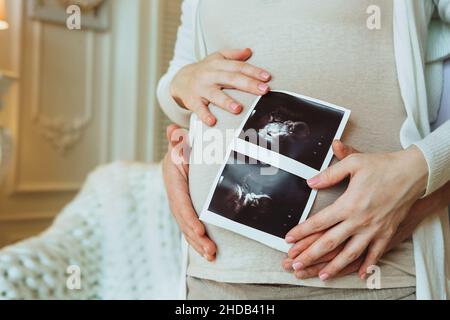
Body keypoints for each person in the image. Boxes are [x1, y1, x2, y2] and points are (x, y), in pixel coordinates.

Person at [158, 0, 450, 300]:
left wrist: (422, 165)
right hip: (216, 274)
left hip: (368, 278)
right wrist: (181, 83)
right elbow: (181, 80)